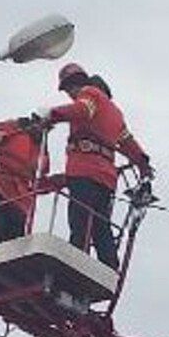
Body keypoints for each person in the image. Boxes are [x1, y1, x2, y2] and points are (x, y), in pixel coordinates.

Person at [37, 63, 152, 269]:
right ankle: (109, 269)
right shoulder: (116, 113)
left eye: (68, 90)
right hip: (106, 178)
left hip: (83, 171)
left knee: (80, 222)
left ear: (73, 84)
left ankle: (75, 267)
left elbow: (82, 110)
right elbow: (127, 141)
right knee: (101, 226)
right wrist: (143, 164)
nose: (70, 96)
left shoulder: (89, 94)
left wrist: (50, 114)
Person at [0, 117, 48, 247]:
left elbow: (41, 172)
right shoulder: (12, 127)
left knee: (15, 245)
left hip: (20, 199)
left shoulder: (40, 147)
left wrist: (63, 180)